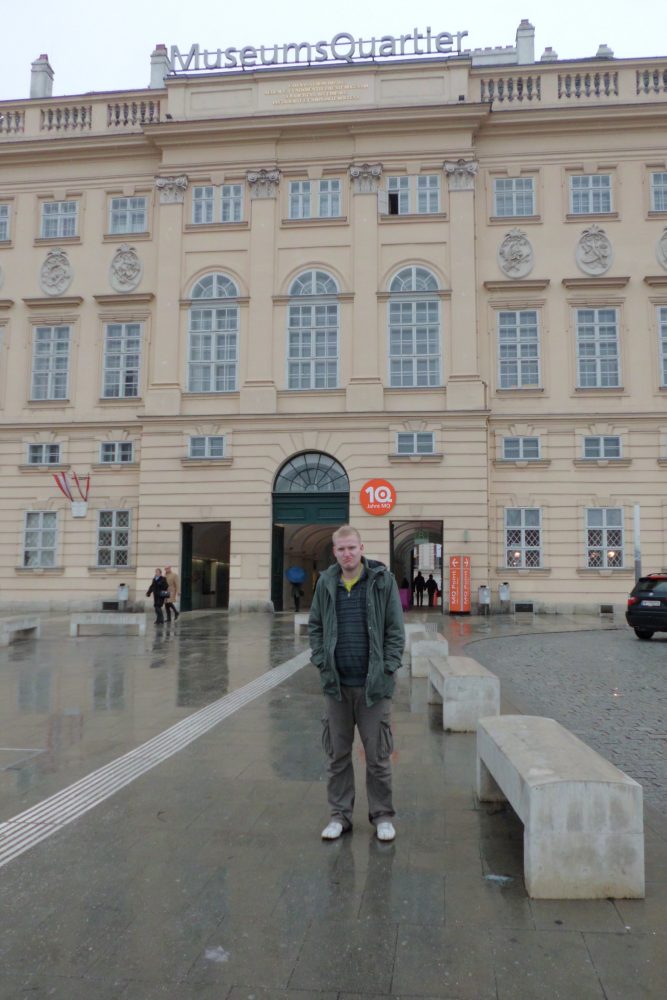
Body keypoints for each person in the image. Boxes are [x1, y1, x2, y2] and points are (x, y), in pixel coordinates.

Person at [308, 525, 405, 843]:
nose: (347, 553)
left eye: (352, 547)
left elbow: (395, 630)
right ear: (334, 552)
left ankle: (383, 816)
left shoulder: (382, 581)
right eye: (341, 549)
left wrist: (388, 668)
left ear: (361, 548)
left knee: (377, 756)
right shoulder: (326, 582)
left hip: (373, 686)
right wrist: (321, 660)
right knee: (337, 756)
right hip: (336, 685)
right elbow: (315, 625)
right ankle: (339, 816)